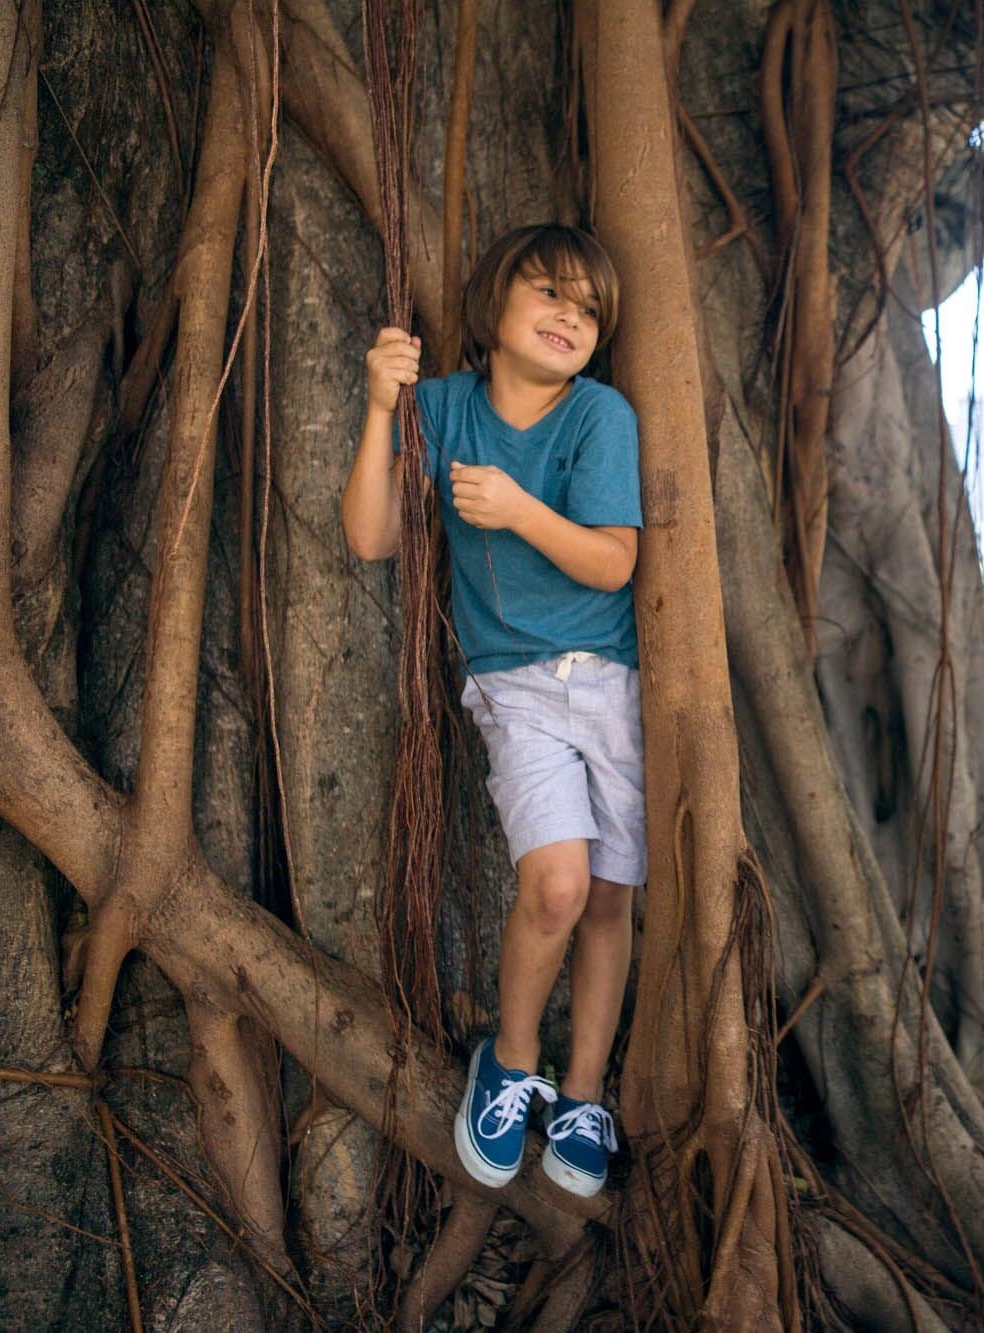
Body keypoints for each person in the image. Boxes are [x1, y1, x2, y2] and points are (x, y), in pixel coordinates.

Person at [342, 223, 643, 1199]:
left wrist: (518, 509)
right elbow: (373, 535)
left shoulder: (599, 416)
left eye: (588, 307)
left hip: (614, 683)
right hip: (513, 687)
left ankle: (584, 1093)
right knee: (555, 885)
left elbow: (613, 560)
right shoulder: (444, 409)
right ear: (493, 304)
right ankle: (512, 1061)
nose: (569, 316)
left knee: (607, 897)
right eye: (548, 292)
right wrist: (381, 403)